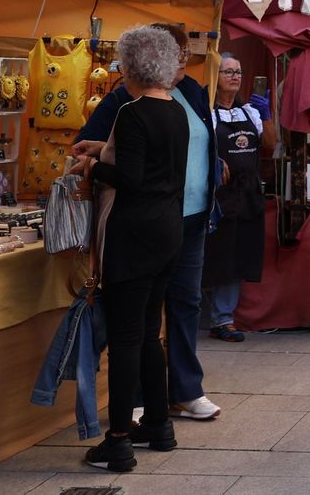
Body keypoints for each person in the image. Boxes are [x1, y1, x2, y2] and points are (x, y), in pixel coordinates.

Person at [74, 24, 222, 423]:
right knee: (143, 319)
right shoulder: (125, 99)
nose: (181, 61)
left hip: (187, 215)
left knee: (184, 304)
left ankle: (185, 391)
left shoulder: (190, 93)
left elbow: (199, 143)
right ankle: (142, 403)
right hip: (148, 219)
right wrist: (99, 153)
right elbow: (98, 142)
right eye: (176, 53)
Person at [202, 53, 273, 343]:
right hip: (217, 198)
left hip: (246, 196)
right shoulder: (206, 114)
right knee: (213, 255)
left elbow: (269, 146)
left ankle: (223, 319)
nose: (234, 76)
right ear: (213, 78)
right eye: (227, 72)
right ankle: (193, 316)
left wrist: (267, 117)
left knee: (236, 257)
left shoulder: (250, 113)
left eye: (238, 72)